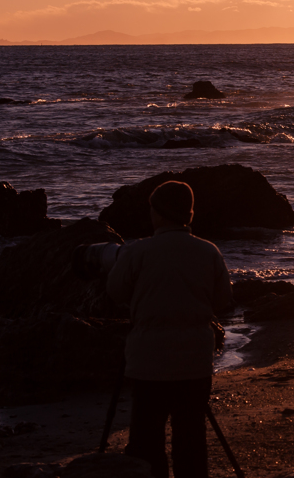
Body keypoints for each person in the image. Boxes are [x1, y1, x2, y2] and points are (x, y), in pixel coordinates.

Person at [107, 180, 234, 478]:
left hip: (147, 361)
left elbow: (115, 293)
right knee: (191, 438)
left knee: (145, 440)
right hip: (194, 359)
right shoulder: (209, 251)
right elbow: (223, 300)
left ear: (160, 213)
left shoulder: (137, 252)